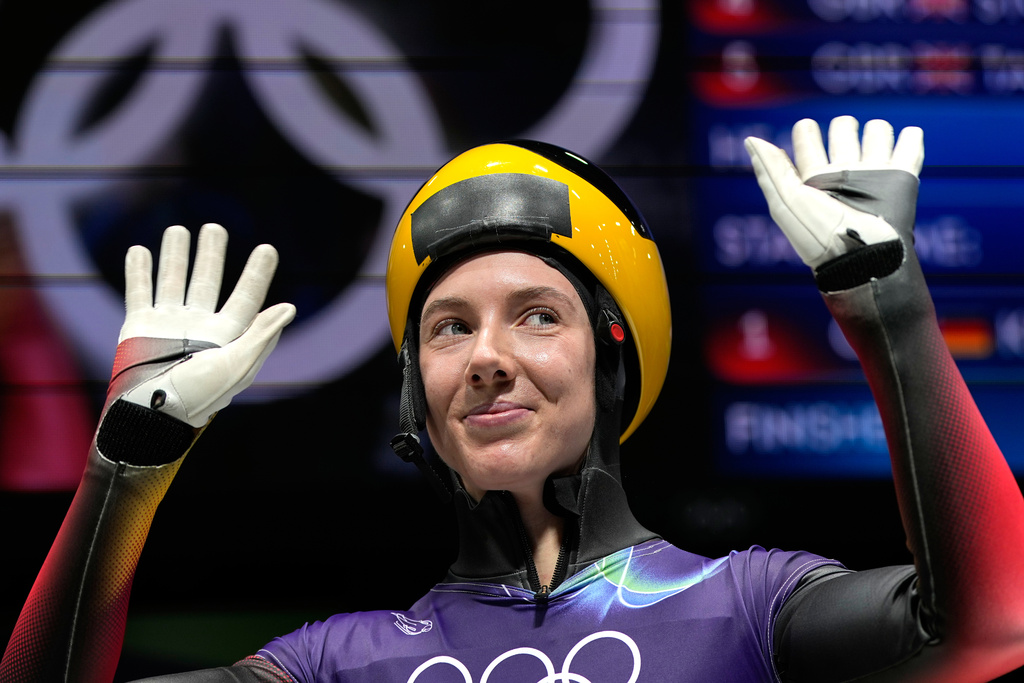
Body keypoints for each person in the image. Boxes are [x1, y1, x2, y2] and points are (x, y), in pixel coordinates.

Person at [3, 115, 1024, 682]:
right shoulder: (337, 664)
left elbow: (992, 624)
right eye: (449, 327)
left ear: (614, 358)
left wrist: (892, 313)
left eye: (537, 314)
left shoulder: (749, 606)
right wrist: (122, 469)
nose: (486, 355)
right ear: (417, 395)